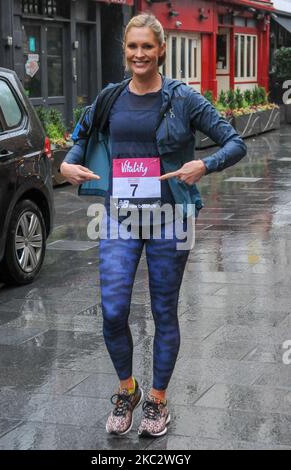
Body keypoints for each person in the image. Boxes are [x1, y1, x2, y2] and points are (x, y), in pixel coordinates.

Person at [60, 13, 247, 438]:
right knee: (112, 311)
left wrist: (203, 164)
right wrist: (68, 164)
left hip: (169, 219)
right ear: (124, 50)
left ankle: (158, 401)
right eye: (132, 47)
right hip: (119, 216)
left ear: (160, 50)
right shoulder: (109, 97)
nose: (139, 54)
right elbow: (79, 138)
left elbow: (234, 142)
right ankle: (128, 389)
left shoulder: (183, 99)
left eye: (147, 46)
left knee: (164, 311)